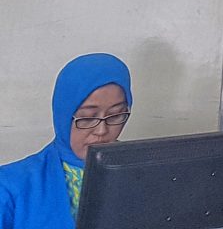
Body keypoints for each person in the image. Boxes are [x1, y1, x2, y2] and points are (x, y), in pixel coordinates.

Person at [0, 53, 133, 229]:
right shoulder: (11, 186)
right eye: (87, 118)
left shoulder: (143, 174)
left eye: (115, 115)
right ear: (63, 117)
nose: (102, 130)